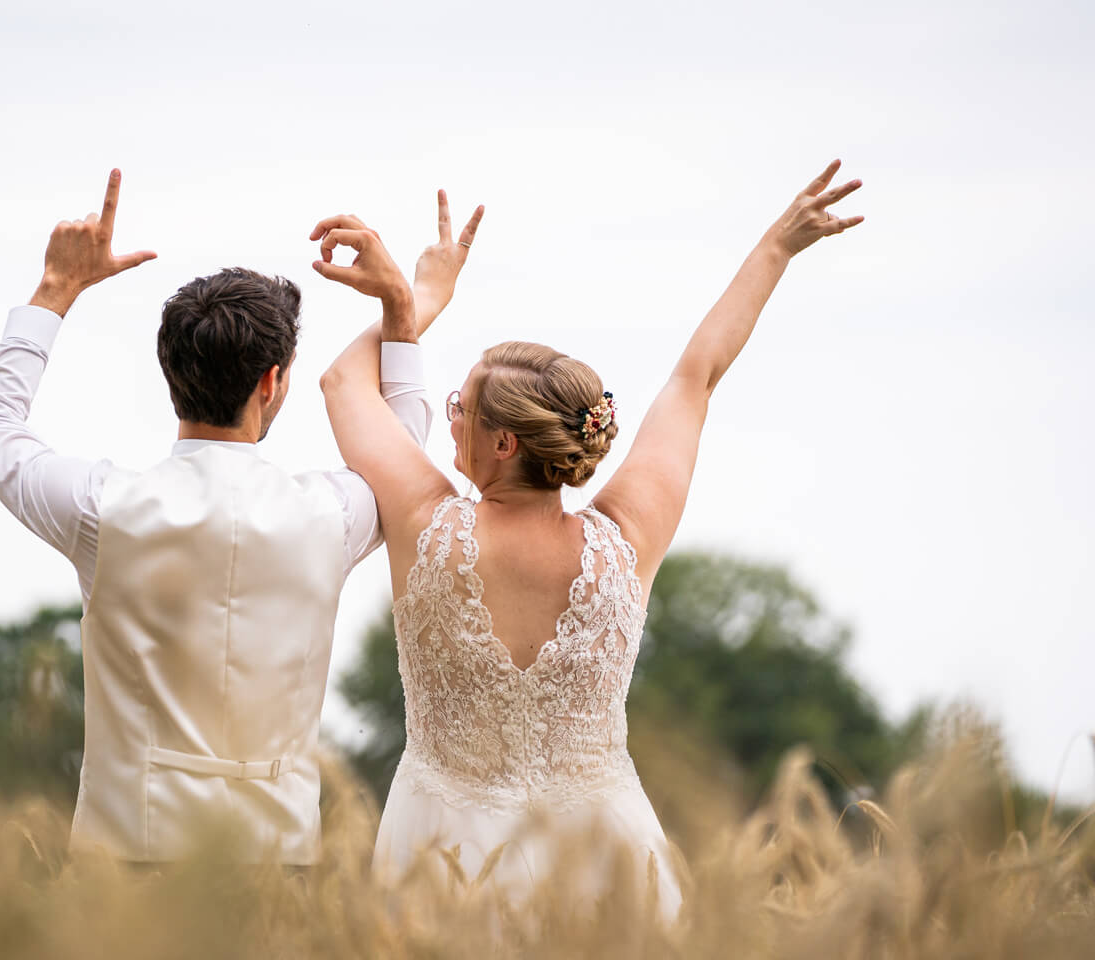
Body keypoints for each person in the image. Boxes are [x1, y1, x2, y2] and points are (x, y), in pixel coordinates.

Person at [313, 161, 864, 918]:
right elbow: (696, 378)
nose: (450, 415)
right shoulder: (625, 541)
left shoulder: (424, 523)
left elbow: (342, 383)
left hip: (441, 859)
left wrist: (420, 299)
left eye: (462, 406)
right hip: (607, 863)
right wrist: (776, 248)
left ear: (503, 443)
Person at [0, 169, 456, 865]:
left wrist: (56, 289)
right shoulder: (329, 516)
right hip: (280, 860)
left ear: (169, 374)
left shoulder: (102, 509)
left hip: (121, 871)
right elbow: (401, 455)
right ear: (271, 381)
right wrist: (402, 309)